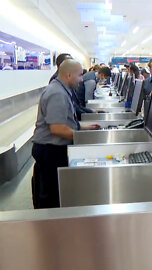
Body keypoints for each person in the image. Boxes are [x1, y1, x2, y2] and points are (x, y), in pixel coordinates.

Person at [31, 59, 100, 209]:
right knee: (51, 197)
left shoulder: (62, 90)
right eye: (80, 75)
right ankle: (50, 227)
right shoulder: (57, 94)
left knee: (54, 192)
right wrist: (84, 139)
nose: (82, 79)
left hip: (52, 149)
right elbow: (58, 129)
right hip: (50, 151)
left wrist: (85, 128)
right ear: (69, 75)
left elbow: (66, 123)